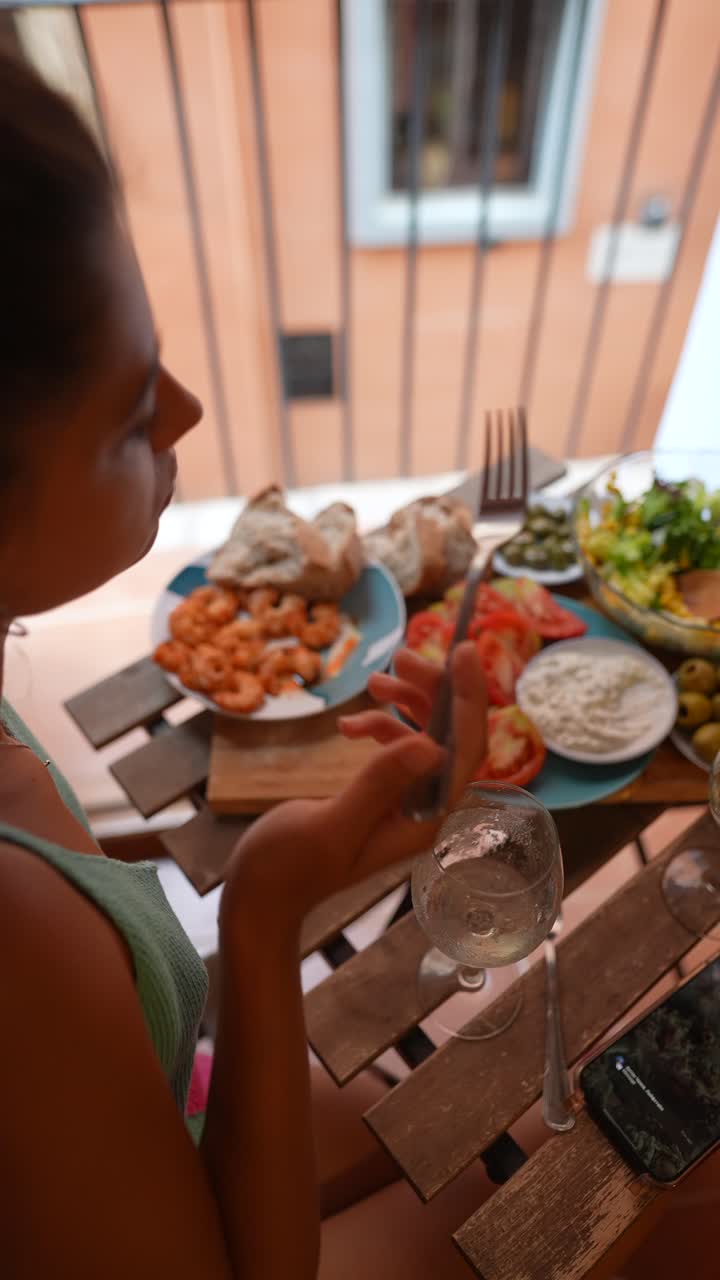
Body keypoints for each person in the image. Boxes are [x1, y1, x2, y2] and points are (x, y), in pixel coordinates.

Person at [0, 53, 494, 1279]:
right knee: (540, 1173)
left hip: (166, 1099)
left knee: (482, 1121)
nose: (188, 412)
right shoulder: (18, 956)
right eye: (129, 413)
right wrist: (264, 916)